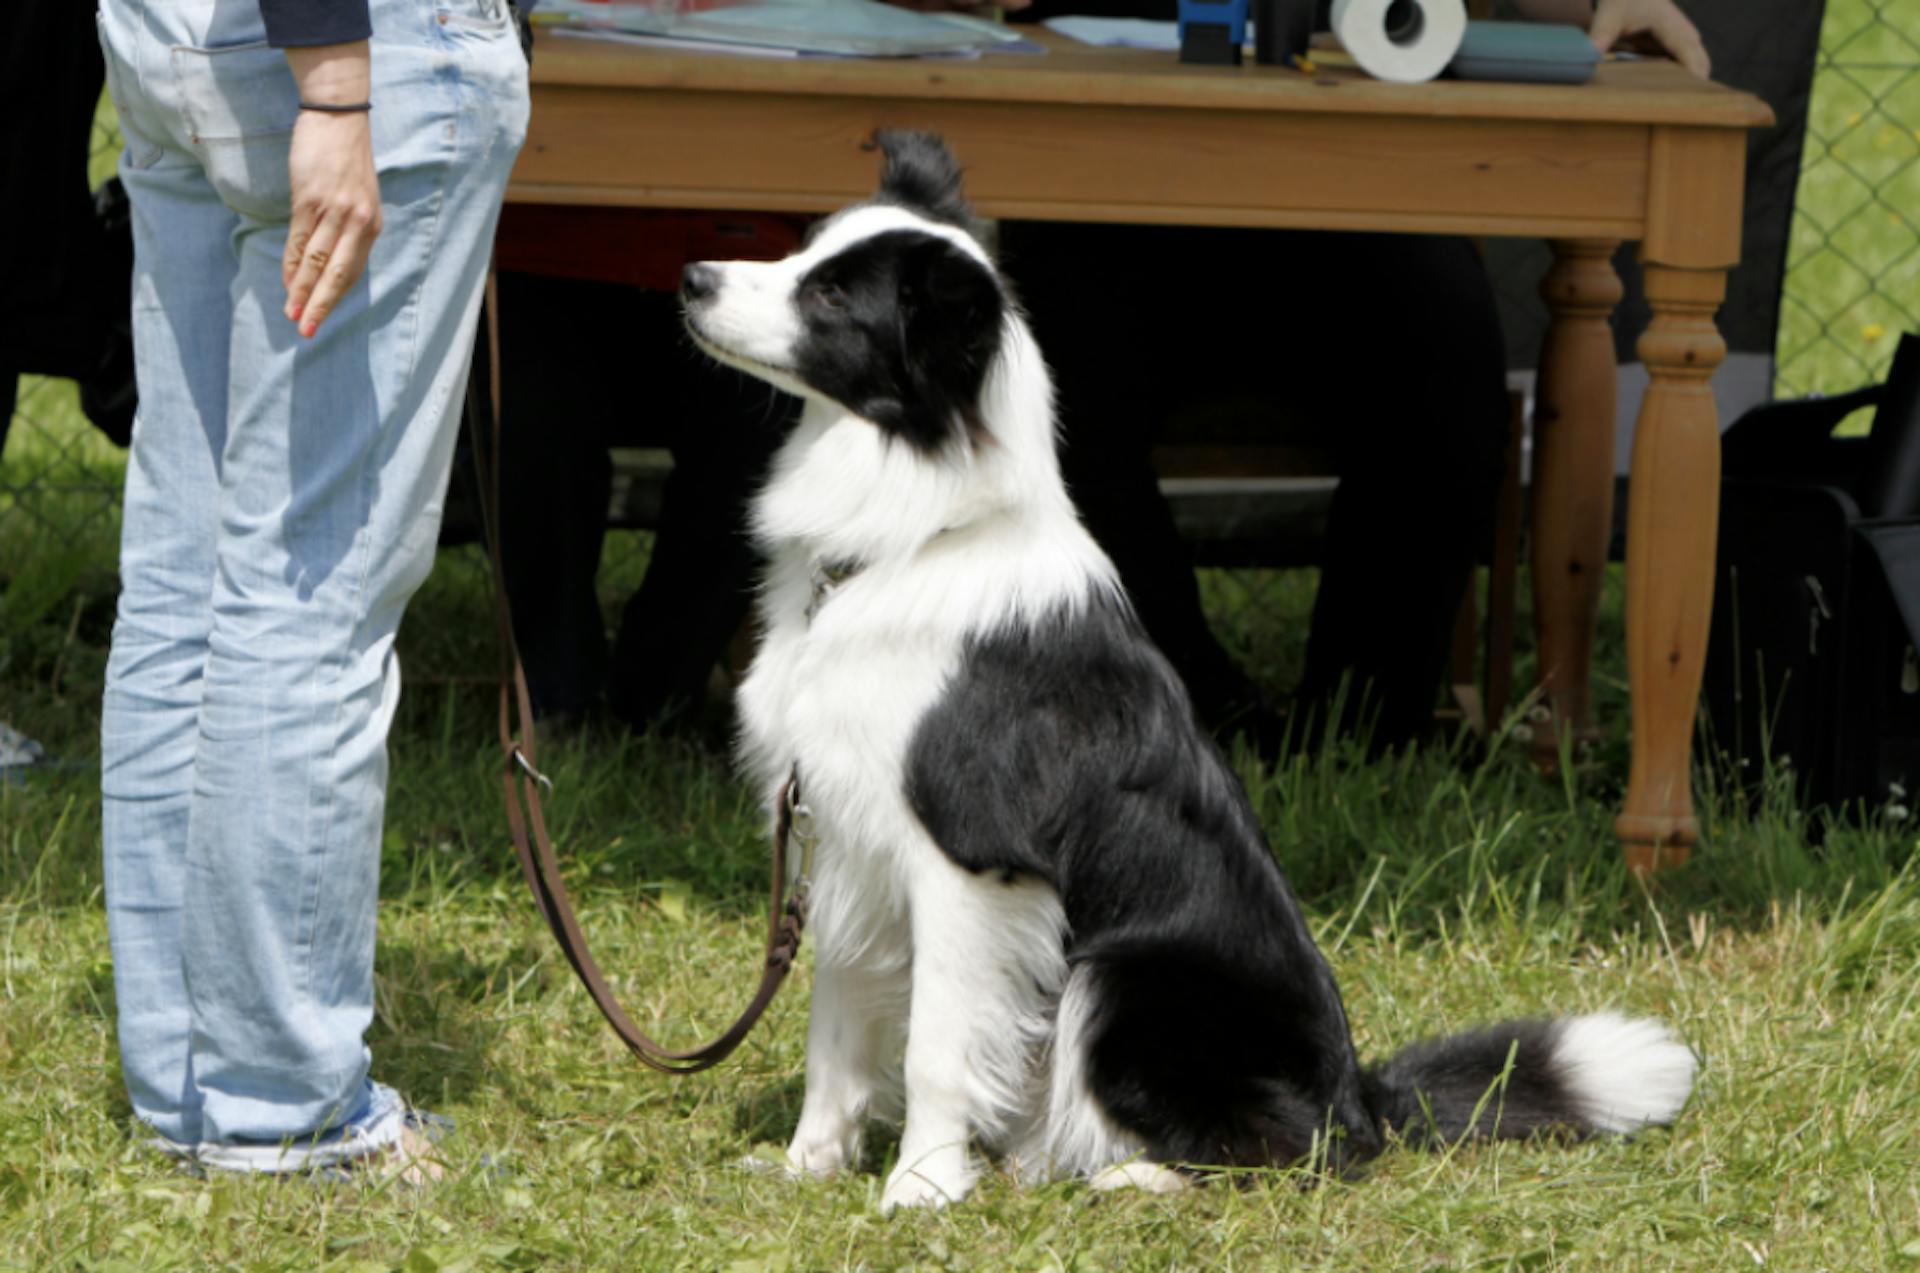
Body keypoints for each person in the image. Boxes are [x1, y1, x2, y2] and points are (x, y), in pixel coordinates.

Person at [995, 0, 1710, 754]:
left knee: (1446, 362)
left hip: (1346, 185)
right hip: (1102, 184)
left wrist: (1597, 6)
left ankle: (1361, 727)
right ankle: (1187, 709)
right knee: (1039, 386)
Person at [96, 0, 528, 1176]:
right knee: (310, 592)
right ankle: (281, 1107)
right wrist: (338, 83)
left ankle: (189, 1082)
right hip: (348, 54)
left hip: (182, 36)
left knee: (188, 586)